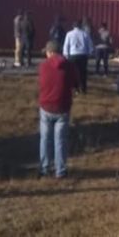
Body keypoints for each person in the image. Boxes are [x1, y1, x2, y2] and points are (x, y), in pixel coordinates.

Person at [38, 40, 78, 178]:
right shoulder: (69, 66)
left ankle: (44, 168)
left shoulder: (43, 66)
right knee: (60, 140)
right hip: (63, 107)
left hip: (46, 106)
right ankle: (60, 170)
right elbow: (74, 83)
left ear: (49, 52)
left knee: (45, 139)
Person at [63, 20, 93, 93]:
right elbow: (90, 44)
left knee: (73, 72)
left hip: (73, 55)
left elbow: (66, 45)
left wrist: (66, 54)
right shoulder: (85, 34)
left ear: (73, 26)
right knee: (82, 72)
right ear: (80, 26)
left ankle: (75, 88)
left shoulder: (69, 34)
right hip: (83, 55)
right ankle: (83, 88)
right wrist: (90, 53)